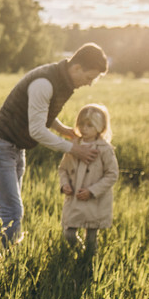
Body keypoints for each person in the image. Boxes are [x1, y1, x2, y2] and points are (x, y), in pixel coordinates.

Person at [0, 43, 108, 247]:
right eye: (89, 78)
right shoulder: (45, 83)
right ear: (76, 68)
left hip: (14, 146)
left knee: (13, 206)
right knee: (12, 209)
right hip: (0, 145)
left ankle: (7, 248)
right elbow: (37, 130)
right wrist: (74, 149)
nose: (89, 84)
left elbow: (39, 114)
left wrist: (63, 129)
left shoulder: (60, 80)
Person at [58, 104, 119, 255]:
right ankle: (80, 253)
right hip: (74, 198)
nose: (84, 128)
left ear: (100, 127)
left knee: (91, 238)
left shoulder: (105, 149)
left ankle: (88, 262)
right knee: (69, 233)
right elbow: (63, 169)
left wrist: (92, 191)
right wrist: (65, 184)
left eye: (89, 125)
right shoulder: (73, 146)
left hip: (94, 201)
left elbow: (112, 174)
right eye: (81, 124)